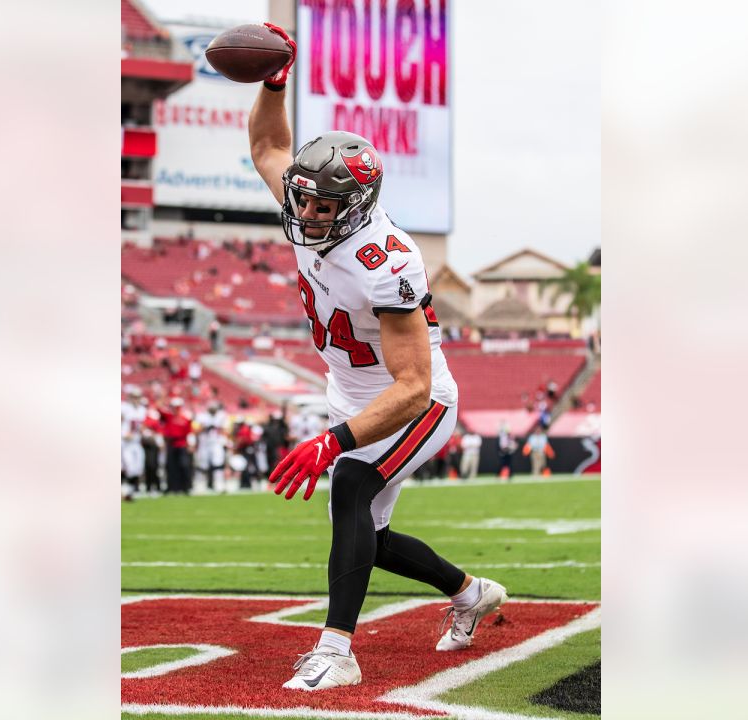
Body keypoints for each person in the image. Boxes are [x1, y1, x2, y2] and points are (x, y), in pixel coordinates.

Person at [249, 23, 507, 692]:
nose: (304, 211)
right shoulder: (311, 203)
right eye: (301, 197)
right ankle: (469, 592)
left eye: (320, 204)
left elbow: (414, 385)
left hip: (417, 404)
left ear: (356, 206)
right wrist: (275, 80)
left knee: (351, 486)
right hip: (349, 390)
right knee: (368, 535)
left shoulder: (385, 261)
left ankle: (337, 651)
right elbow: (269, 144)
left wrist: (332, 441)